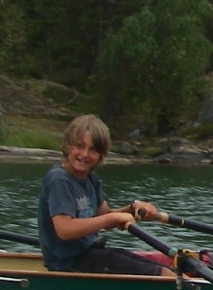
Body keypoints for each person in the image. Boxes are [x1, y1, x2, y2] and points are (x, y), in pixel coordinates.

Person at [38, 114, 168, 276]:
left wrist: (133, 208)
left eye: (92, 149)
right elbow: (65, 230)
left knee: (166, 269)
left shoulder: (90, 179)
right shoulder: (59, 179)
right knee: (161, 273)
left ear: (101, 155)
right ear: (67, 146)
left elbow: (105, 217)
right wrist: (113, 219)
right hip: (68, 263)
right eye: (79, 146)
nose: (84, 154)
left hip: (90, 255)